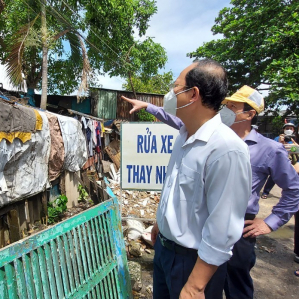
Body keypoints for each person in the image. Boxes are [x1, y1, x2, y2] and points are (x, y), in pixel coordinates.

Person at [122, 85, 299, 298]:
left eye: (233, 106)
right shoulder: (203, 134)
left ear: (250, 113)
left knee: (236, 286)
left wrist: (271, 222)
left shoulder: (269, 149)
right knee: (203, 284)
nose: (226, 109)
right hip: (200, 225)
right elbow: (177, 122)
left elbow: (293, 188)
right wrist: (148, 106)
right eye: (226, 104)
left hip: (239, 227)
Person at [129, 59, 252, 299]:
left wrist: (196, 286)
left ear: (193, 94)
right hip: (165, 251)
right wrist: (161, 224)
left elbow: (223, 226)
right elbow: (178, 191)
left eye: (175, 87)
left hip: (193, 262)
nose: (170, 94)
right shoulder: (184, 135)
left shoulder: (226, 148)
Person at [261, 123, 298, 199]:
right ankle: (266, 192)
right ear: (283, 129)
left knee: (293, 179)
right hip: (279, 161)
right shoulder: (278, 138)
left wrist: (296, 146)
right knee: (273, 177)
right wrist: (280, 142)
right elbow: (272, 148)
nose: (289, 130)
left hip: (292, 162)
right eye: (287, 128)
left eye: (291, 129)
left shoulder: (295, 139)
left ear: (294, 130)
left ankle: (292, 195)